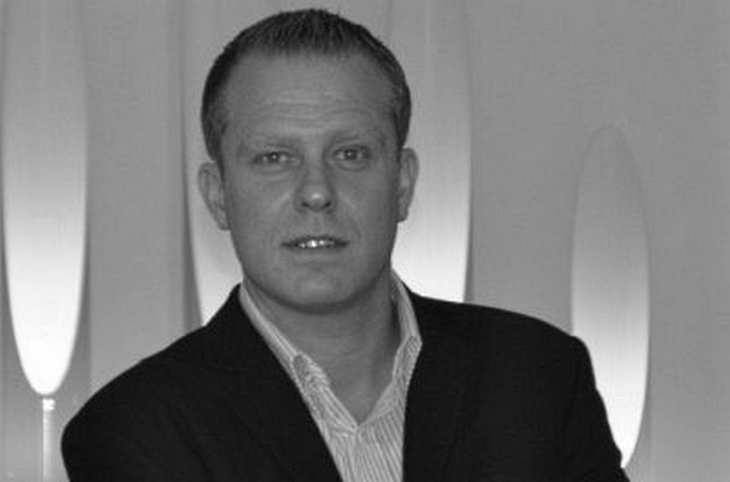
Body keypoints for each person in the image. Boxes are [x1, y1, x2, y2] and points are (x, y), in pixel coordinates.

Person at [62, 8, 629, 482]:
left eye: (350, 154)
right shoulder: (135, 429)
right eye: (274, 158)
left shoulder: (538, 378)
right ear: (217, 196)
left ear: (402, 184)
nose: (316, 191)